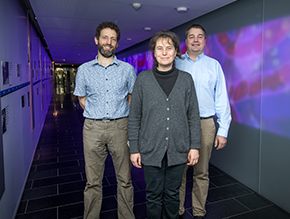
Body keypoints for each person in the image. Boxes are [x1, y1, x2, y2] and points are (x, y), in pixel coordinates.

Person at [128, 30, 201, 219]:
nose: (164, 52)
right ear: (154, 53)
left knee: (172, 194)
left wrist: (194, 146)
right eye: (159, 48)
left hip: (179, 148)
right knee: (152, 195)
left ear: (176, 51)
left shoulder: (186, 80)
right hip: (150, 148)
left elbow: (193, 115)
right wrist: (134, 149)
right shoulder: (142, 80)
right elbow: (134, 117)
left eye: (169, 48)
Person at [73, 21, 136, 219]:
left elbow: (131, 98)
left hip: (120, 127)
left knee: (125, 179)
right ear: (96, 40)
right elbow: (82, 99)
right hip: (93, 128)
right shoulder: (84, 70)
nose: (108, 42)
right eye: (104, 37)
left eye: (113, 39)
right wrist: (98, 113)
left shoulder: (127, 69)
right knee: (92, 181)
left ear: (117, 43)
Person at [176, 24, 232, 219]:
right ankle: (178, 210)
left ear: (205, 40)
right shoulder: (175, 62)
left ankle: (199, 211)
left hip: (205, 124)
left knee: (201, 172)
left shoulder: (214, 65)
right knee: (178, 172)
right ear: (186, 40)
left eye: (200, 36)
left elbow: (222, 99)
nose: (196, 40)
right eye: (191, 36)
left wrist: (223, 130)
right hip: (179, 124)